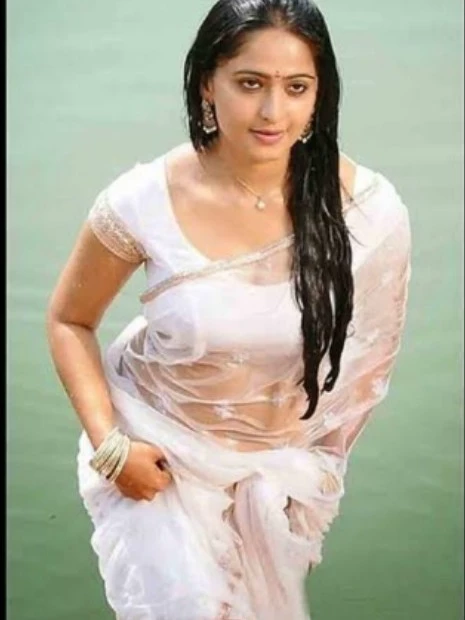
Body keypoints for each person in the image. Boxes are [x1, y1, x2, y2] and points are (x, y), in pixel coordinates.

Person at [46, 0, 411, 618]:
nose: (273, 112)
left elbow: (370, 363)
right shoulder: (142, 203)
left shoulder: (369, 211)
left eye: (296, 87)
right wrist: (111, 447)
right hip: (157, 452)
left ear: (319, 94)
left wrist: (319, 471)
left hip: (279, 474)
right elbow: (68, 321)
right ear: (206, 85)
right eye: (250, 83)